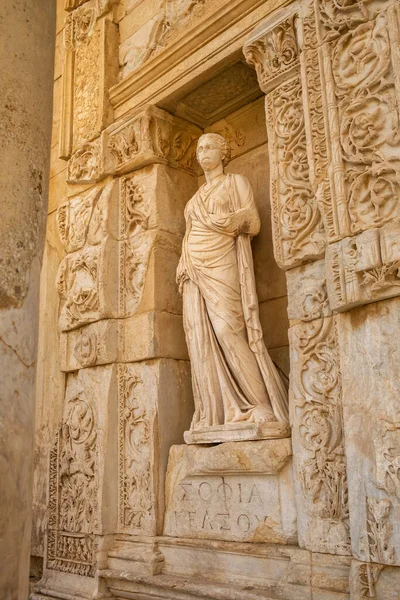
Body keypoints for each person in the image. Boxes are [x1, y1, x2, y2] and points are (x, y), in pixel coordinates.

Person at [177, 133, 288, 436]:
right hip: (193, 269)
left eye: (210, 147)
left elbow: (252, 221)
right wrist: (184, 264)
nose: (203, 153)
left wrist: (225, 222)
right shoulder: (194, 198)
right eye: (199, 148)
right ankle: (214, 413)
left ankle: (260, 403)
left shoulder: (235, 182)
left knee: (229, 329)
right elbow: (189, 234)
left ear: (223, 152)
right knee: (199, 338)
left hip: (222, 264)